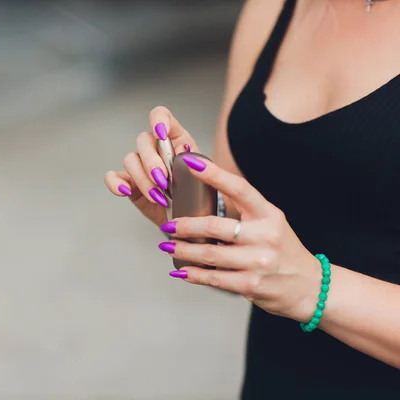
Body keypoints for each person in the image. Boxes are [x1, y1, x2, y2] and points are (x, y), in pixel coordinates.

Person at [104, 0, 400, 398]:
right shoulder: (272, 7)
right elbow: (262, 261)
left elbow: (293, 278)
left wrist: (313, 286)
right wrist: (203, 223)